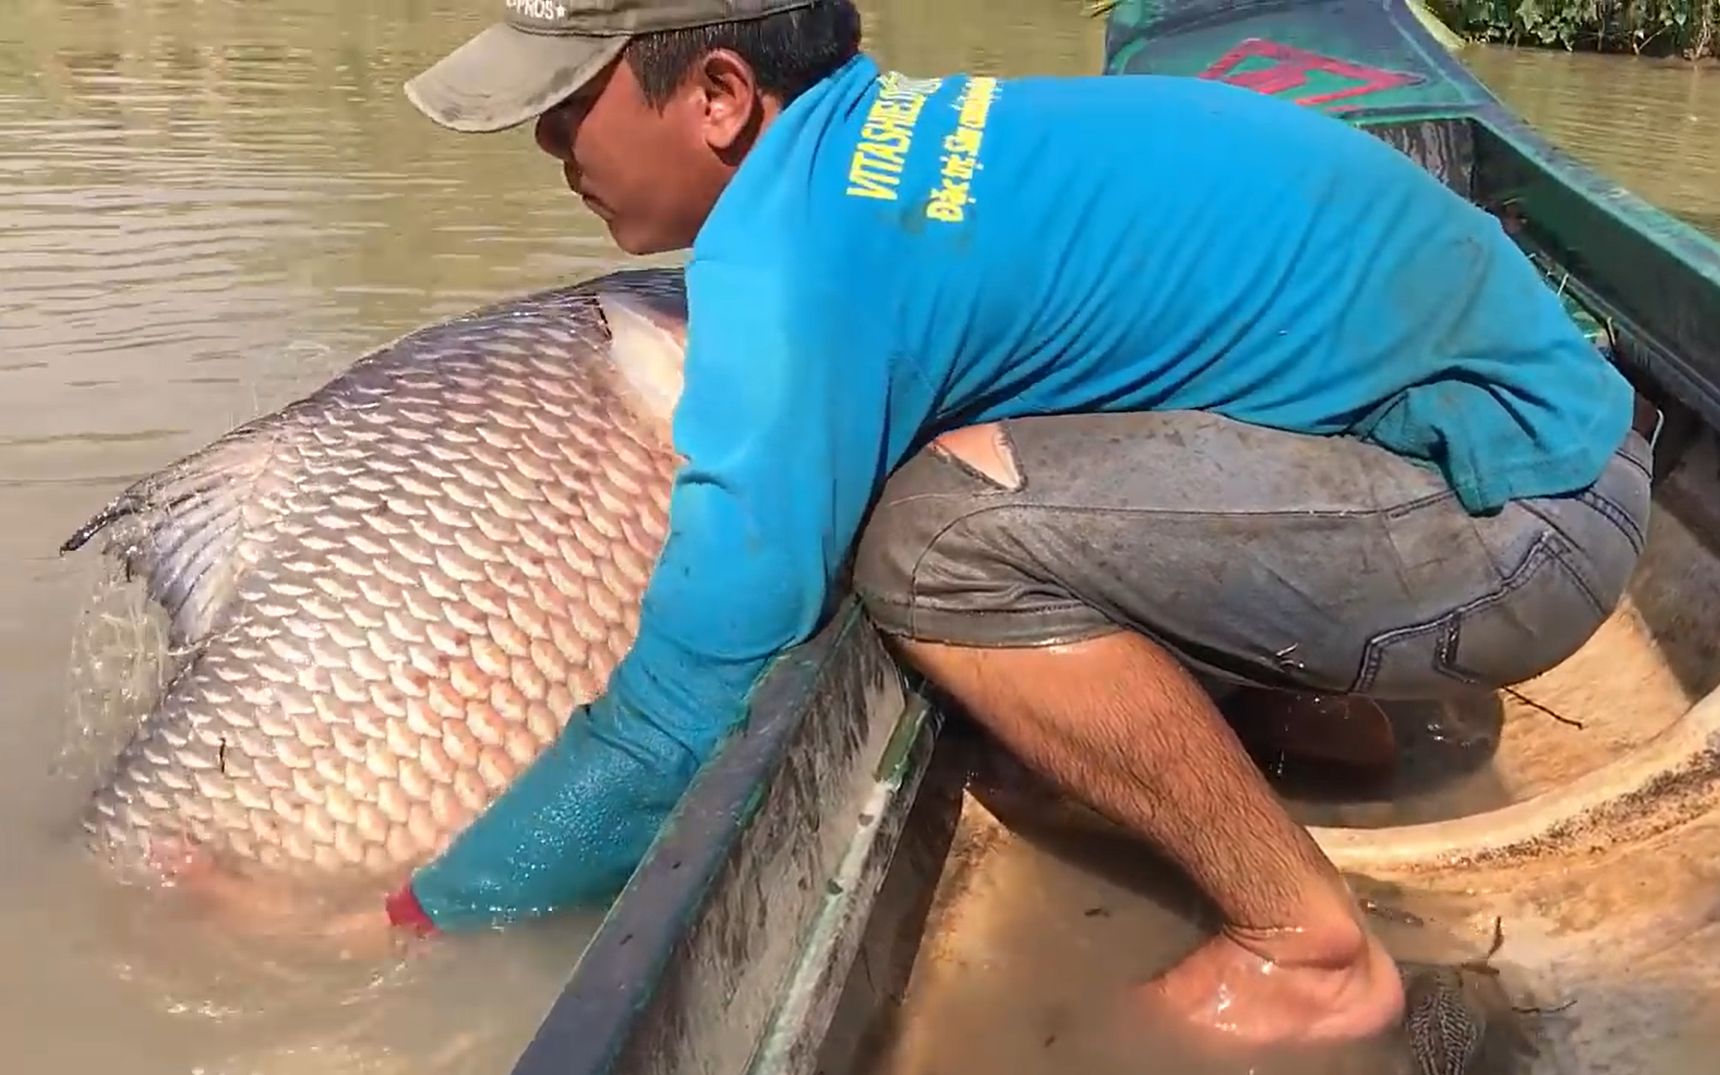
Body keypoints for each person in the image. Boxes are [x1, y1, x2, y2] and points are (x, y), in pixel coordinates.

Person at [378, 0, 1656, 1063]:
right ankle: (1317, 715)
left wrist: (434, 909)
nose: (547, 139)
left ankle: (1306, 950)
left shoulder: (793, 262)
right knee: (984, 461)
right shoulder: (902, 141)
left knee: (934, 541)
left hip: (1516, 519)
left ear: (717, 97)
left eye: (570, 100)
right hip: (1525, 447)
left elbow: (689, 693)